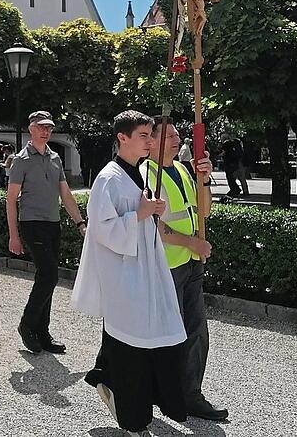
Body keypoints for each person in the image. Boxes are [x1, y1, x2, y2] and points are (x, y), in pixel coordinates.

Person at [72, 110, 188, 437]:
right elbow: (102, 230)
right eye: (144, 135)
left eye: (152, 135)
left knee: (152, 338)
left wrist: (151, 212)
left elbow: (142, 218)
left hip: (145, 268)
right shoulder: (109, 178)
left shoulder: (138, 173)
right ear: (123, 137)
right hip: (123, 273)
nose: (151, 141)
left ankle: (112, 382)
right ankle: (133, 418)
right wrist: (140, 213)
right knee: (131, 349)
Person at [145, 117, 228, 422]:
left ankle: (189, 394)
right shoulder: (146, 174)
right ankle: (162, 390)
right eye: (169, 136)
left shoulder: (181, 169)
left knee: (196, 331)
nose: (176, 140)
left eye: (178, 135)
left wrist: (204, 179)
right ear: (150, 141)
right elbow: (153, 223)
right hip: (167, 265)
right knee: (170, 334)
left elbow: (202, 210)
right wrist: (191, 243)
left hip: (190, 264)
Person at [7, 110, 87, 353]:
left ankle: (42, 332)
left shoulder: (55, 158)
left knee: (47, 277)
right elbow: (11, 199)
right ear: (31, 128)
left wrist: (80, 222)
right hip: (32, 223)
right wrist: (14, 235)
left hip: (52, 223)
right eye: (41, 127)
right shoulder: (21, 160)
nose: (46, 131)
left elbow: (65, 193)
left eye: (49, 127)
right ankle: (27, 325)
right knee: (50, 275)